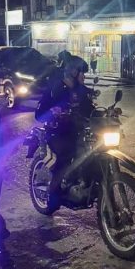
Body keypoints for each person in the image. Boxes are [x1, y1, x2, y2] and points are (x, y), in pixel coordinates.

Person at [35, 55, 94, 209]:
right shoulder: (55, 89)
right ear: (72, 72)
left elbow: (91, 110)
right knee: (65, 157)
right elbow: (39, 114)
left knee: (96, 151)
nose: (84, 76)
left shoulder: (82, 90)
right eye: (81, 72)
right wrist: (54, 111)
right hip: (58, 131)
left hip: (78, 130)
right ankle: (53, 195)